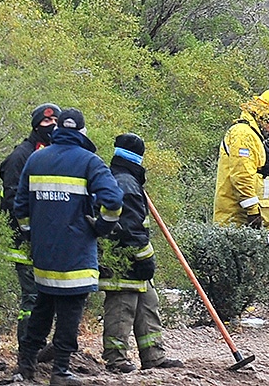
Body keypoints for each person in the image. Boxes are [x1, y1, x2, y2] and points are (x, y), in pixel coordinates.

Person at [13, 108, 124, 386]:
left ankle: (25, 366)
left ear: (58, 129)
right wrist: (101, 227)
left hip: (44, 253)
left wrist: (31, 234)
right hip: (76, 255)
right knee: (70, 314)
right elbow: (113, 202)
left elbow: (20, 206)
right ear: (82, 132)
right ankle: (60, 370)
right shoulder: (90, 162)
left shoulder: (36, 159)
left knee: (42, 306)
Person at [99, 133, 184, 373]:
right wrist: (145, 258)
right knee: (121, 306)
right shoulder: (125, 184)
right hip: (122, 259)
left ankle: (154, 356)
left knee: (148, 304)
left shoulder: (126, 180)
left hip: (133, 258)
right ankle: (116, 359)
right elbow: (132, 229)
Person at [0, 103, 60, 348]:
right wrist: (29, 230)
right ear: (36, 125)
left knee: (48, 296)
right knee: (32, 296)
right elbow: (13, 200)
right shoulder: (21, 156)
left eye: (55, 120)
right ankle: (27, 346)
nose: (52, 125)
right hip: (23, 242)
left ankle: (39, 344)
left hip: (46, 240)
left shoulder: (53, 152)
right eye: (46, 122)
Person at [214, 88, 269, 228]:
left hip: (252, 222)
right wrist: (253, 212)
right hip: (237, 222)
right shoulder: (243, 134)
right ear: (265, 115)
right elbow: (242, 176)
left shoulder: (255, 136)